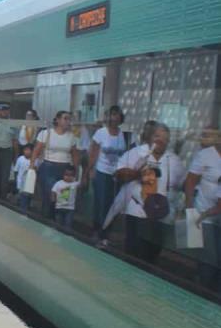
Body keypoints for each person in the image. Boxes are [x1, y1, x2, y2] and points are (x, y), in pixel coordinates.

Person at [114, 123, 184, 262]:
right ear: (149, 137)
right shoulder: (137, 153)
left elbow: (181, 185)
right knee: (133, 250)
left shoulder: (174, 160)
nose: (160, 140)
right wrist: (137, 173)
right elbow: (119, 174)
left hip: (160, 214)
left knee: (152, 252)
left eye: (165, 138)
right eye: (157, 136)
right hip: (137, 211)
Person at [83, 106, 127, 246]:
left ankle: (107, 232)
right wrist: (89, 171)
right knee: (101, 203)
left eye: (117, 115)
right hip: (101, 172)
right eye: (112, 114)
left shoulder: (122, 134)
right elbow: (93, 152)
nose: (115, 118)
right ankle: (98, 231)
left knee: (112, 204)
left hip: (116, 175)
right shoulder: (101, 133)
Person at [30, 111, 80, 220]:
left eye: (69, 119)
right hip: (48, 167)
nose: (68, 121)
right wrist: (32, 165)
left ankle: (58, 222)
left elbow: (75, 155)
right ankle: (46, 219)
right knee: (49, 195)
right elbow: (36, 151)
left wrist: (76, 171)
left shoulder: (71, 136)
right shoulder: (46, 133)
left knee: (62, 198)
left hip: (65, 169)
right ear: (57, 120)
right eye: (65, 118)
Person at [184, 128, 221, 265]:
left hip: (219, 214)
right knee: (208, 258)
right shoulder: (205, 155)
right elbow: (190, 182)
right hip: (204, 214)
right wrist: (190, 209)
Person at [15, 145, 34, 212]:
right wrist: (17, 181)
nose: (27, 152)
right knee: (22, 198)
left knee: (27, 198)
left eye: (28, 150)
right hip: (20, 183)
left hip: (30, 184)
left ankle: (25, 209)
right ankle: (22, 210)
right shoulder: (20, 158)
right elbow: (16, 171)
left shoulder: (34, 160)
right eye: (25, 150)